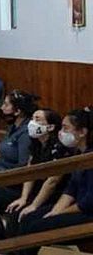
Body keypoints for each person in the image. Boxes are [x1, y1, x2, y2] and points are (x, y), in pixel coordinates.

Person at [0, 108, 67, 241]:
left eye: (38, 119)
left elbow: (52, 182)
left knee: (16, 214)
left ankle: (11, 246)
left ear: (50, 127)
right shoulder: (35, 143)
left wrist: (33, 205)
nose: (32, 123)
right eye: (32, 118)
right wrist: (23, 197)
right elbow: (29, 172)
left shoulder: (59, 147)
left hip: (48, 194)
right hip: (29, 190)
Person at [13, 108, 93, 255]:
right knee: (28, 218)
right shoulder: (78, 153)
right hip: (77, 206)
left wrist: (60, 213)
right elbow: (70, 190)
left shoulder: (90, 159)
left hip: (87, 212)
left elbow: (88, 202)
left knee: (35, 228)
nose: (61, 132)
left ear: (83, 132)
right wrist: (55, 211)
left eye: (66, 128)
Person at [0, 90, 37, 174]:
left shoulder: (26, 132)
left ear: (17, 111)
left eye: (6, 105)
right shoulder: (13, 127)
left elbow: (23, 165)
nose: (2, 108)